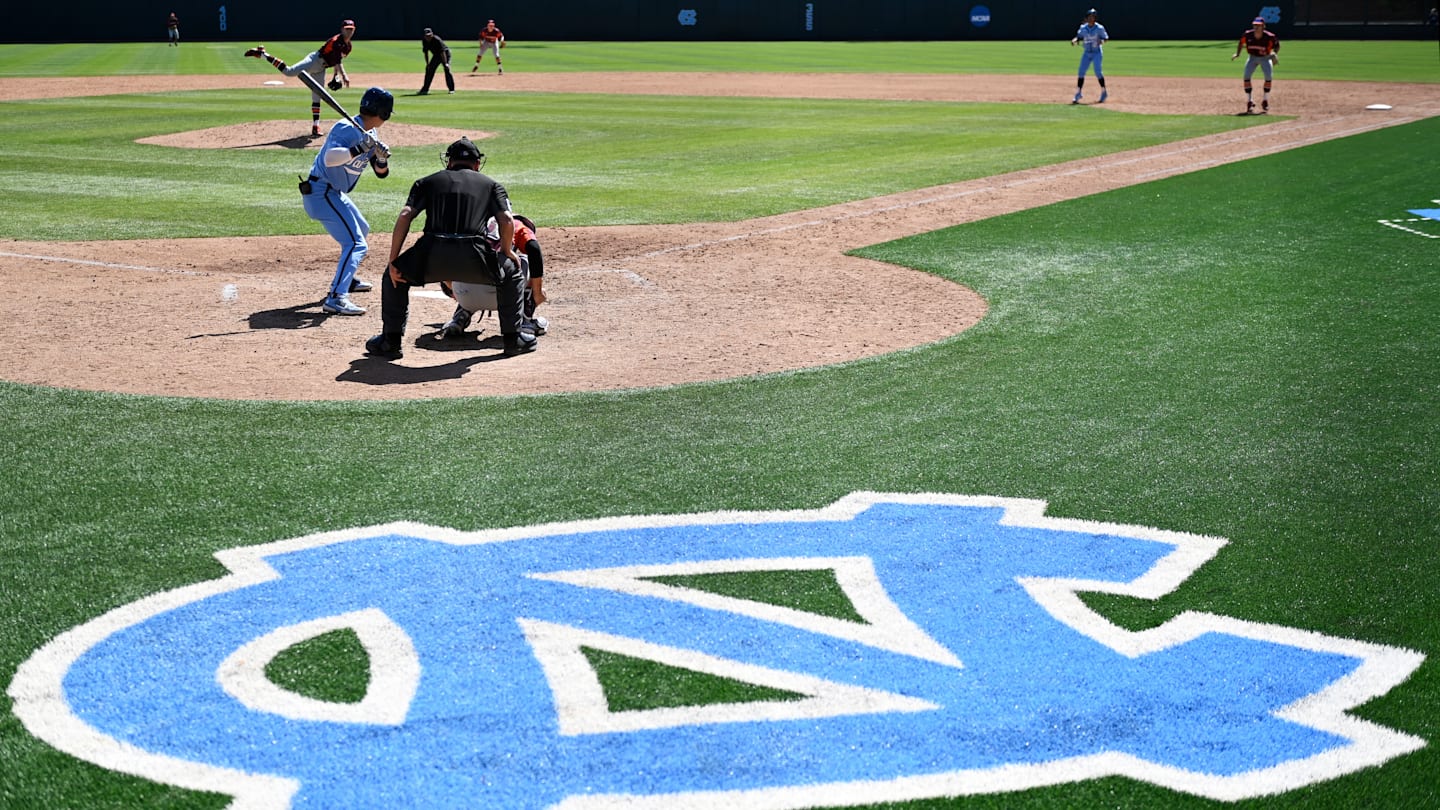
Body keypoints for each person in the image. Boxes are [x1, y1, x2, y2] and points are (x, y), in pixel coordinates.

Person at [366, 138, 538, 359]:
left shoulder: (426, 182)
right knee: (512, 271)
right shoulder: (491, 185)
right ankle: (513, 340)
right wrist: (506, 250)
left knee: (394, 276)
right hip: (475, 257)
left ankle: (390, 341)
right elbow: (505, 220)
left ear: (449, 162)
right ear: (477, 164)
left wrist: (393, 261)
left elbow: (405, 216)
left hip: (431, 255)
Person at [298, 87, 393, 316]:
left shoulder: (371, 134)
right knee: (356, 244)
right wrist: (361, 147)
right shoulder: (346, 128)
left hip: (334, 194)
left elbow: (381, 173)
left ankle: (346, 278)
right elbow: (330, 159)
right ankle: (336, 297)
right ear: (384, 112)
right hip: (321, 192)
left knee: (361, 229)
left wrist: (380, 157)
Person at [439, 213, 548, 339]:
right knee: (523, 260)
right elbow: (534, 249)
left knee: (469, 269)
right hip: (504, 299)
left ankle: (459, 318)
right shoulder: (516, 224)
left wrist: (455, 290)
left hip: (464, 296)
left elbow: (442, 258)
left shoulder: (470, 223)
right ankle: (525, 321)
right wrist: (537, 293)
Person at [245, 20, 357, 137]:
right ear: (342, 29)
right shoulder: (336, 41)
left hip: (321, 69)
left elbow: (336, 61)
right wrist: (344, 75)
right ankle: (263, 54)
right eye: (347, 29)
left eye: (351, 29)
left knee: (317, 96)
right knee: (289, 72)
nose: (349, 31)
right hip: (314, 60)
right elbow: (338, 61)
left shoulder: (348, 47)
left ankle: (315, 126)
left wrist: (336, 75)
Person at [1231, 16, 1280, 114]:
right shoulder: (1248, 35)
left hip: (1265, 58)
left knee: (1268, 77)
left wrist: (1274, 53)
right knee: (1246, 76)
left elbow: (1277, 45)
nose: (1256, 27)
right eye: (1255, 25)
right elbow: (1241, 42)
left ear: (1263, 26)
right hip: (1252, 57)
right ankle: (1250, 101)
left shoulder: (1269, 36)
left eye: (1258, 25)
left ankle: (1265, 100)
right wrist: (1238, 54)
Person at [1070, 9, 1109, 104]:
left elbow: (1106, 38)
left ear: (1095, 18)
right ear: (1087, 18)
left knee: (1098, 72)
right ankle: (1078, 93)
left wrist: (1102, 41)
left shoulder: (1099, 28)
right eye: (1090, 17)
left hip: (1097, 53)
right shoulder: (1083, 28)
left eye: (1093, 17)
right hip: (1087, 52)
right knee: (1081, 72)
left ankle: (1104, 92)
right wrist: (1074, 40)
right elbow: (1078, 37)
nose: (1091, 18)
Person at [419, 28, 456, 95]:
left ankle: (451, 89)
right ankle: (425, 89)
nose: (428, 37)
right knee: (429, 70)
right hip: (436, 55)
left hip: (445, 54)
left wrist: (445, 63)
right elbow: (426, 53)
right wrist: (427, 64)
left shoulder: (437, 40)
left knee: (447, 69)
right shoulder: (424, 41)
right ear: (424, 36)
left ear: (432, 34)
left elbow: (442, 52)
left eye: (429, 35)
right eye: (427, 36)